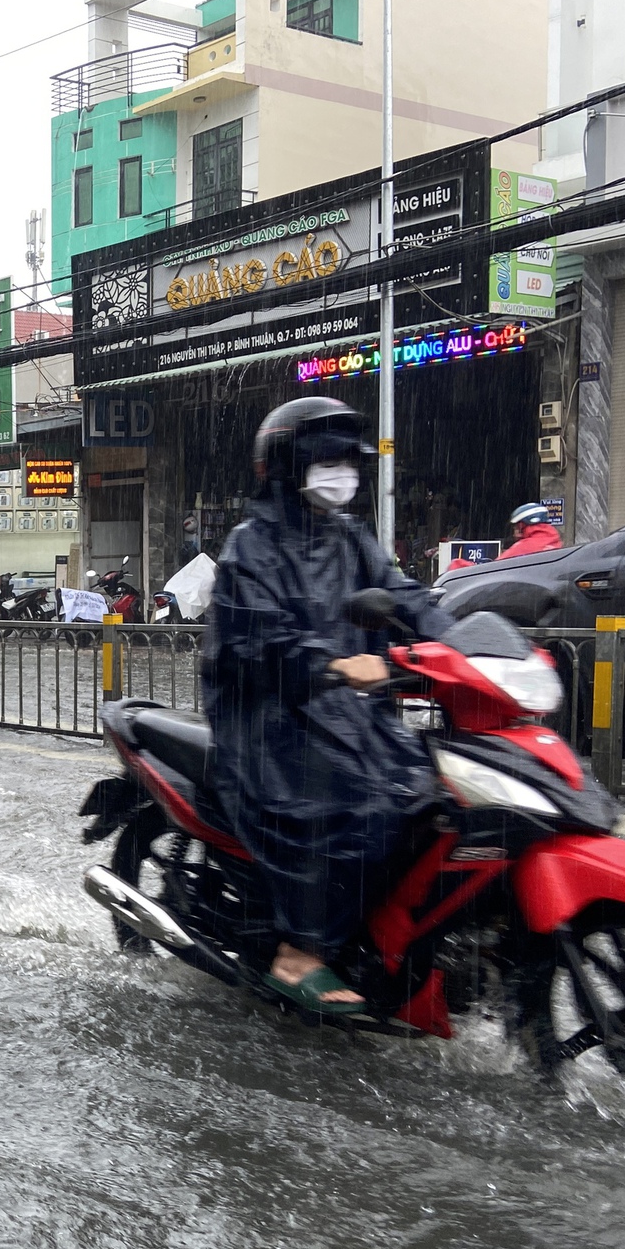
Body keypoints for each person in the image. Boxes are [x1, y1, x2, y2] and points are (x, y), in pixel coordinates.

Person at [200, 397, 449, 1015]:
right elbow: (258, 640)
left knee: (433, 792)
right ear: (289, 468)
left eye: (347, 461)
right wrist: (333, 663)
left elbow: (402, 595)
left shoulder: (352, 539)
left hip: (343, 711)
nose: (343, 473)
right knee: (362, 804)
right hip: (266, 721)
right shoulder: (249, 548)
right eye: (327, 461)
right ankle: (300, 953)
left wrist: (468, 641)